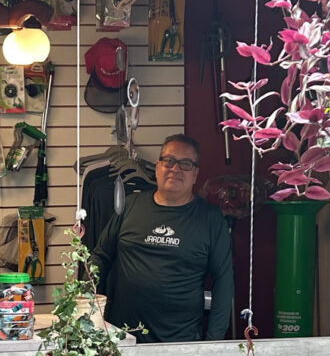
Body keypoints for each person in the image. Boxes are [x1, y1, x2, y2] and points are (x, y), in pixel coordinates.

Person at [90, 134, 234, 343]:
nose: (175, 169)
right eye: (169, 161)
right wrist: (88, 314)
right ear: (158, 166)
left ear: (195, 174)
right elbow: (99, 258)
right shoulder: (129, 206)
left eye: (185, 164)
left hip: (180, 341)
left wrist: (213, 341)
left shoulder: (211, 219)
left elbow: (223, 281)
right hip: (122, 338)